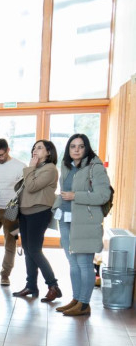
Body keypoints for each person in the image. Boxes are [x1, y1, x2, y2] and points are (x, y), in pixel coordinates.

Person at [53, 133, 111, 317]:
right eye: (73, 146)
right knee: (73, 264)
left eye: (81, 146)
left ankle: (84, 304)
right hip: (65, 219)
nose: (76, 150)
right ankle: (76, 299)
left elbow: (103, 196)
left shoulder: (95, 167)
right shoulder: (66, 165)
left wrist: (75, 196)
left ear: (87, 148)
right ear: (68, 149)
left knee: (84, 264)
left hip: (84, 222)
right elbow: (63, 191)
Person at [13, 140, 61, 303]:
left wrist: (30, 168)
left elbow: (32, 187)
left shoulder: (50, 169)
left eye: (40, 148)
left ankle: (53, 286)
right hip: (24, 212)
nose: (35, 150)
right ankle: (31, 286)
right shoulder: (36, 168)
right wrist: (31, 169)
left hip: (39, 213)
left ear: (48, 152)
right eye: (34, 147)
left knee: (34, 250)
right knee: (27, 250)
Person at [0, 139, 24, 286]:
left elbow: (24, 191)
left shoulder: (20, 166)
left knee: (10, 243)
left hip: (12, 209)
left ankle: (5, 274)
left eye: (1, 155)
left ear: (8, 150)